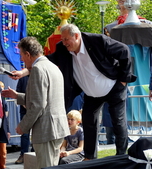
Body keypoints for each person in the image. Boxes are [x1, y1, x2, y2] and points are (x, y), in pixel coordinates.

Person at [9, 24, 136, 160]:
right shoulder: (62, 49)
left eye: (66, 39)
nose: (64, 43)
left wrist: (123, 80)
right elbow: (46, 61)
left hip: (113, 87)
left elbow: (124, 51)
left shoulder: (97, 40)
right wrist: (23, 72)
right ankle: (89, 157)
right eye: (62, 40)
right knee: (88, 123)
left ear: (76, 36)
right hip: (91, 93)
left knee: (118, 121)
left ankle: (122, 156)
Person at [2, 36, 70, 169]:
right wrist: (18, 96)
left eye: (21, 55)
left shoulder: (38, 69)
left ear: (28, 54)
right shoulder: (52, 67)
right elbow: (45, 98)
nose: (21, 59)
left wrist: (23, 126)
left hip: (46, 131)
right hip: (56, 129)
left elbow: (38, 105)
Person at [14, 75, 34, 164]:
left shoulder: (38, 75)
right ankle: (23, 155)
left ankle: (34, 153)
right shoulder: (23, 78)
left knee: (36, 133)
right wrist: (24, 104)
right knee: (24, 134)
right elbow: (18, 92)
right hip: (24, 110)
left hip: (36, 110)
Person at [0, 81, 10, 169]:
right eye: (0, 87)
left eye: (3, 87)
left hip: (2, 128)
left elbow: (6, 117)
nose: (2, 89)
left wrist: (8, 130)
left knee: (3, 152)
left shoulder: (4, 100)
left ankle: (2, 166)